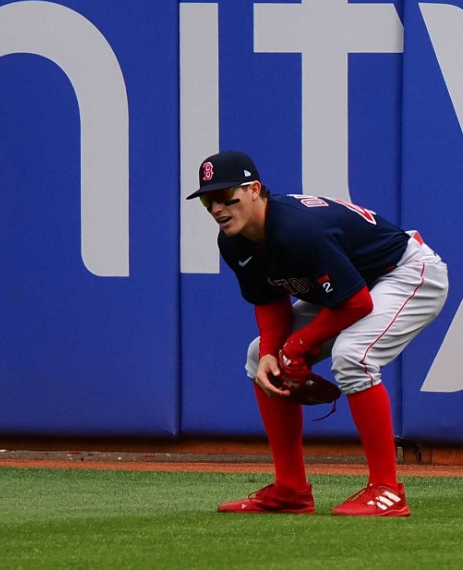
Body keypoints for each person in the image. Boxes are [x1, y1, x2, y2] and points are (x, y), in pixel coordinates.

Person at [188, 150, 448, 515]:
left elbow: (357, 304)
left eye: (225, 195)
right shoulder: (233, 241)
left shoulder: (296, 229)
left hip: (403, 272)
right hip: (351, 286)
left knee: (352, 355)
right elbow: (270, 301)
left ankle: (387, 490)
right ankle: (291, 489)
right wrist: (272, 351)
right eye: (208, 201)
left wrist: (298, 345)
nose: (217, 208)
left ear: (254, 190)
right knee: (259, 356)